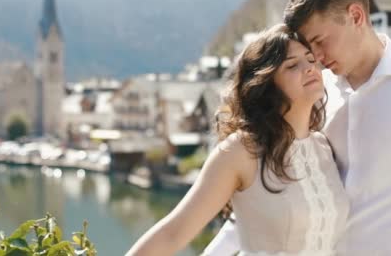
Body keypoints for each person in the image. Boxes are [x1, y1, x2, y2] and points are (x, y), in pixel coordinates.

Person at [205, 0, 391, 255]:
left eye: (320, 41)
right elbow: (268, 193)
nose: (316, 57)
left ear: (356, 16)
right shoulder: (314, 95)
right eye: (309, 47)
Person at [127, 24, 349, 255]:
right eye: (292, 65)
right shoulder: (241, 151)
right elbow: (172, 234)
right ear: (266, 86)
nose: (310, 68)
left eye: (311, 59)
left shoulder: (324, 147)